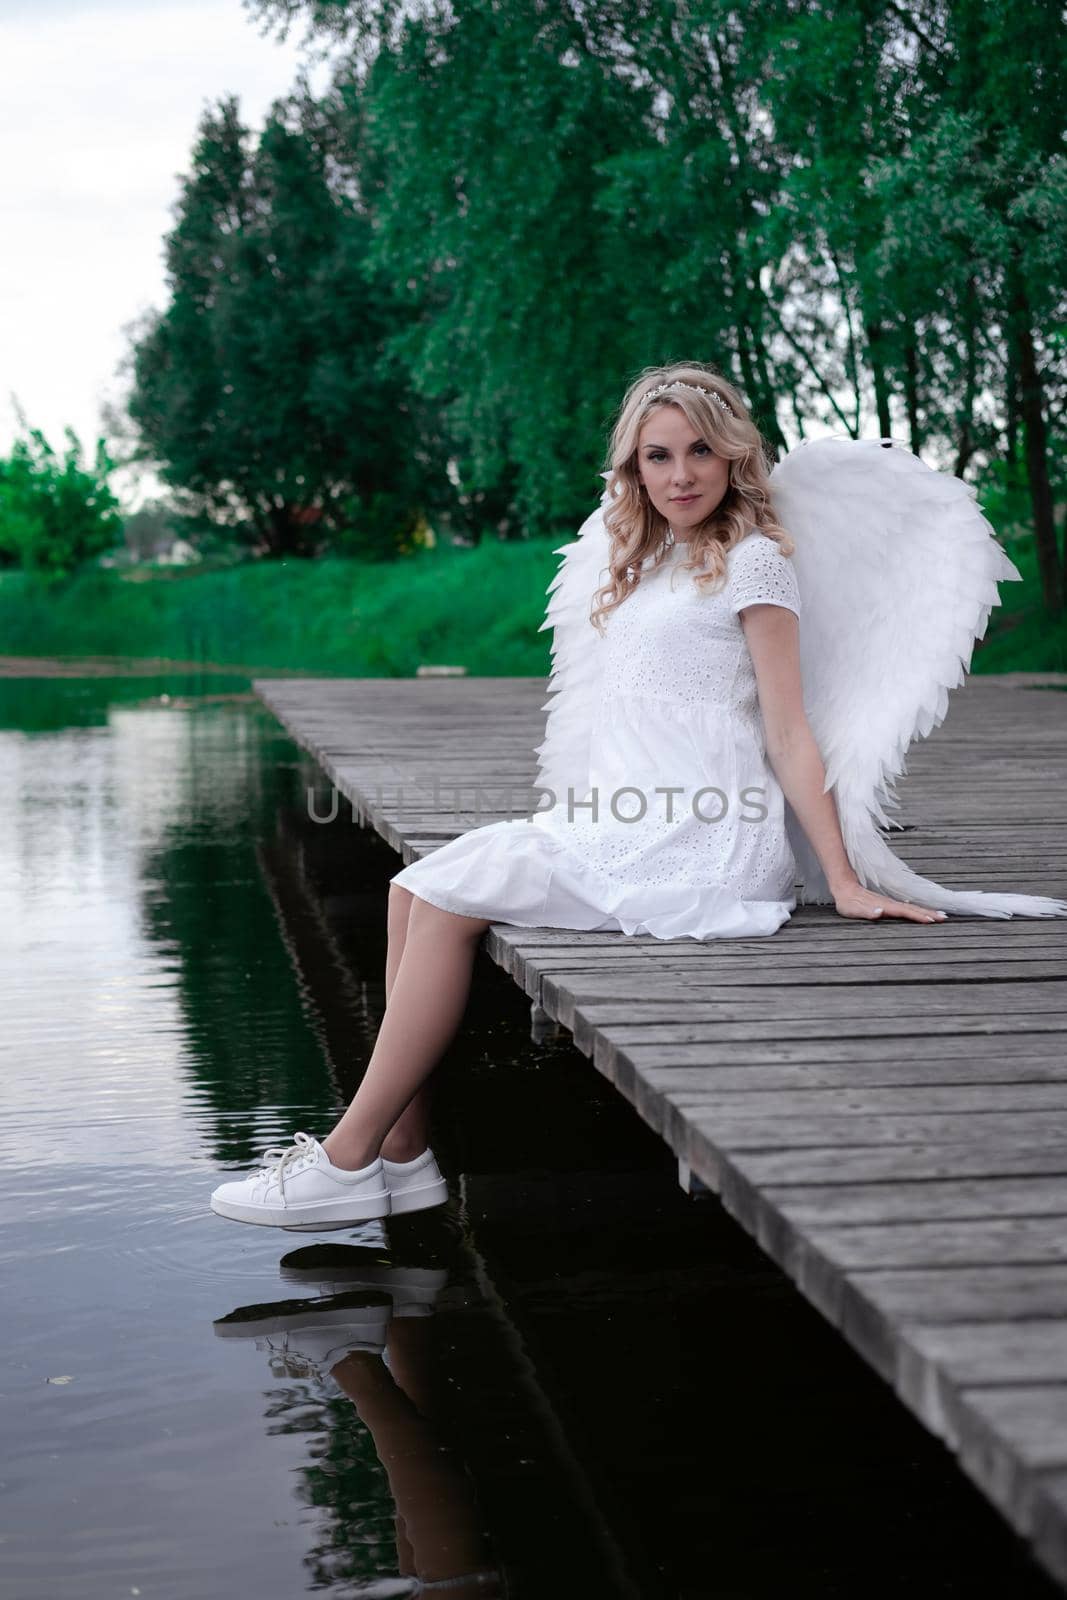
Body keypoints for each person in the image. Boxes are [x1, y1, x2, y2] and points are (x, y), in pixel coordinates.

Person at [210, 361, 1067, 1232]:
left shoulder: (755, 561)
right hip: (624, 813)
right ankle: (401, 1160)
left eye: (700, 451)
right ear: (634, 468)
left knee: (437, 898)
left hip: (703, 830)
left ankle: (350, 1157)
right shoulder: (642, 558)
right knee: (407, 887)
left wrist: (841, 879)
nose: (681, 474)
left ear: (734, 456)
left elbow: (787, 731)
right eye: (658, 456)